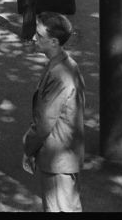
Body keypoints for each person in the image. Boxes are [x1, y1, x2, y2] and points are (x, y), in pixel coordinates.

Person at [23, 12, 85, 212]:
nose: (34, 38)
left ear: (54, 42)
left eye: (39, 36)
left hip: (57, 158)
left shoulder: (58, 74)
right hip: (65, 155)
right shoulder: (66, 65)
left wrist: (28, 148)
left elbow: (44, 123)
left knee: (59, 208)